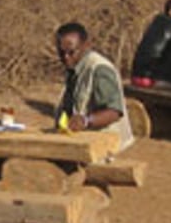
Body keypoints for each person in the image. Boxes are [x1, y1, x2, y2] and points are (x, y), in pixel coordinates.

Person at [55, 23, 134, 151]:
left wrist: (86, 121)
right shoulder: (74, 68)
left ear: (86, 46)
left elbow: (114, 112)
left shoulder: (99, 69)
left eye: (71, 52)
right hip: (81, 139)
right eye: (61, 52)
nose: (66, 57)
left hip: (107, 145)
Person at [131, 0, 171, 88]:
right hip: (164, 79)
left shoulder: (161, 25)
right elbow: (151, 49)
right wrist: (144, 74)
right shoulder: (170, 25)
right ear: (170, 11)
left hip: (157, 76)